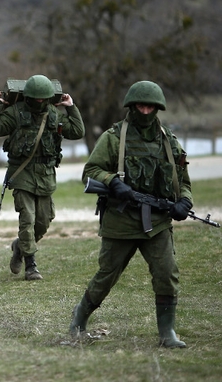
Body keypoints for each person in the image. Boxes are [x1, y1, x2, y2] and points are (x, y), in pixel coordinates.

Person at [69, 81, 191, 348]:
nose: (145, 111)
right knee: (106, 276)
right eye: (140, 106)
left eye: (151, 107)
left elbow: (183, 180)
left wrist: (184, 201)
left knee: (167, 273)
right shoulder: (113, 137)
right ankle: (79, 317)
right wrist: (113, 181)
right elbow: (90, 171)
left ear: (158, 108)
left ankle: (166, 332)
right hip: (120, 220)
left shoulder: (168, 140)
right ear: (131, 106)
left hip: (157, 223)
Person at [0, 75, 85, 280]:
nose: (39, 102)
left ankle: (19, 247)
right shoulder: (16, 113)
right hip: (22, 172)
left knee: (43, 221)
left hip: (46, 174)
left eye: (43, 99)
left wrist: (70, 107)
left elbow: (77, 131)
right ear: (28, 97)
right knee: (27, 219)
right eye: (36, 98)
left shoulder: (54, 115)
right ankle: (31, 265)